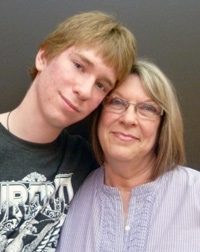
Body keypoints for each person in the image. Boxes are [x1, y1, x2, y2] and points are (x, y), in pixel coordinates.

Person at [0, 11, 136, 251]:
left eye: (101, 85)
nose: (84, 90)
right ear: (44, 57)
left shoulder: (87, 162)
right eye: (78, 66)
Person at [57, 59, 200, 252]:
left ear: (164, 124)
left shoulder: (195, 193)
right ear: (99, 112)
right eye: (117, 102)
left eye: (148, 108)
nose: (128, 118)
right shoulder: (66, 198)